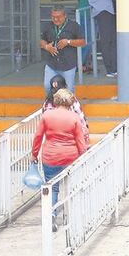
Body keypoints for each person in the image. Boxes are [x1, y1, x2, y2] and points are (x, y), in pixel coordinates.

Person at [32, 88, 89, 218]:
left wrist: (34, 154)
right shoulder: (74, 118)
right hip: (70, 157)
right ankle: (71, 215)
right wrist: (84, 156)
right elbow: (80, 141)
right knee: (72, 186)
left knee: (52, 188)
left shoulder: (46, 116)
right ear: (70, 102)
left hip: (51, 157)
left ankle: (51, 215)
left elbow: (38, 137)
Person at [84, 0, 118, 77]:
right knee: (107, 41)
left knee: (110, 40)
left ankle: (113, 68)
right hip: (102, 10)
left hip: (104, 10)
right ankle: (111, 69)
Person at [39, 5, 86, 94]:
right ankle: (50, 106)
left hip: (68, 64)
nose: (56, 20)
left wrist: (68, 42)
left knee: (69, 90)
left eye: (58, 17)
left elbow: (82, 42)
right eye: (53, 17)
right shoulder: (48, 26)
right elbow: (41, 40)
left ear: (65, 16)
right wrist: (46, 47)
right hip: (51, 64)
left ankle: (70, 107)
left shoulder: (74, 26)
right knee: (47, 86)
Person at [43, 74, 90, 146]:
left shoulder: (46, 104)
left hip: (52, 142)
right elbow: (82, 120)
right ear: (65, 86)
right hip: (71, 141)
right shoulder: (72, 100)